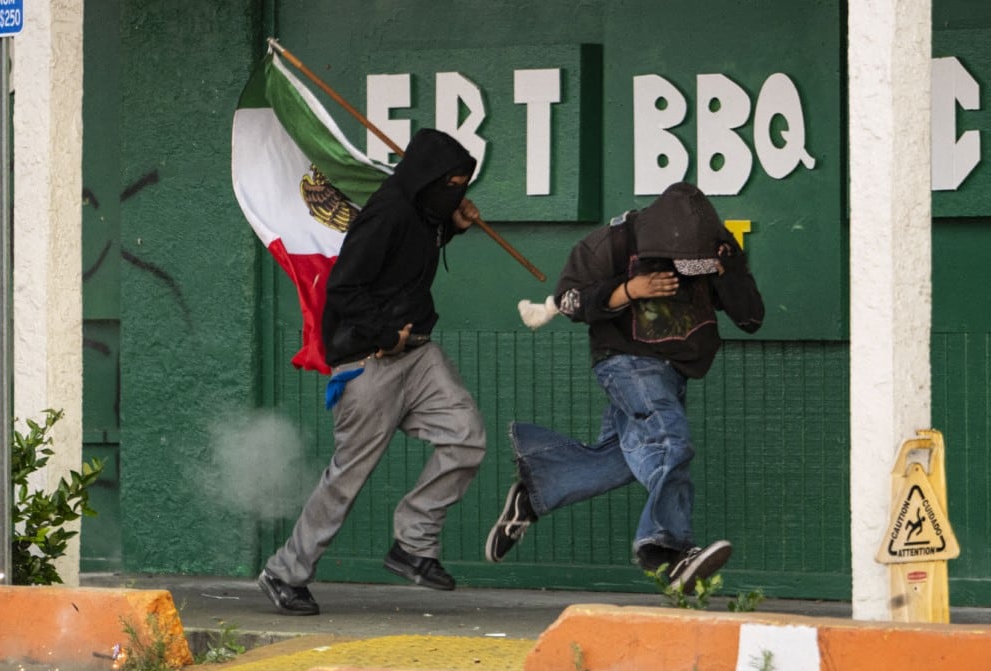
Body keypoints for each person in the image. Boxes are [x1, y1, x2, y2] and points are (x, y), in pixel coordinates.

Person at [484, 181, 764, 593]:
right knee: (670, 443)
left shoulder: (716, 248)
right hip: (626, 361)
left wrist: (729, 272)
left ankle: (535, 490)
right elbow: (568, 299)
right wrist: (627, 291)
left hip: (677, 368)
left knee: (625, 458)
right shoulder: (614, 241)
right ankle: (668, 552)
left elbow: (750, 317)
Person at [259, 128, 486, 615]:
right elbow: (345, 288)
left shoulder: (425, 212)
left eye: (463, 184)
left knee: (465, 437)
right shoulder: (386, 214)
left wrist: (453, 226)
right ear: (427, 177)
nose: (457, 190)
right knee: (347, 476)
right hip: (370, 361)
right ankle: (284, 573)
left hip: (418, 355)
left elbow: (406, 260)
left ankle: (413, 545)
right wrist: (385, 335)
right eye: (450, 182)